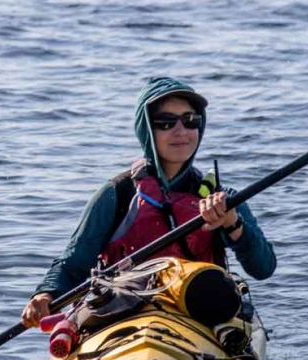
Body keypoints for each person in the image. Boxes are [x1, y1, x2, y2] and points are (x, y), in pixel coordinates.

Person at [21, 76, 276, 328]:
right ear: (146, 129)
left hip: (200, 312)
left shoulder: (222, 198)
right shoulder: (116, 194)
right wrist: (45, 295)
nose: (180, 131)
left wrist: (233, 224)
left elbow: (264, 268)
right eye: (165, 123)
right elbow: (73, 263)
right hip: (123, 313)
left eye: (190, 121)